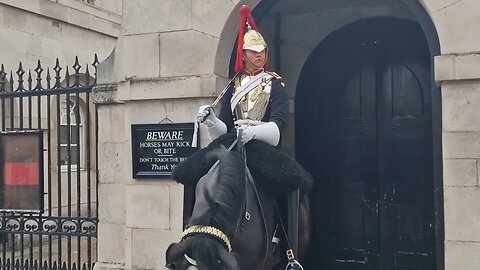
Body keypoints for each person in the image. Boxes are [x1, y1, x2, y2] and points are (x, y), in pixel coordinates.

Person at [196, 5, 288, 147]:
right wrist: (211, 121)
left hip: (265, 148)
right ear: (243, 55)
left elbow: (279, 125)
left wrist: (253, 132)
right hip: (236, 146)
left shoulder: (274, 83)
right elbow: (224, 130)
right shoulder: (233, 85)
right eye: (253, 51)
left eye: (262, 50)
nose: (259, 54)